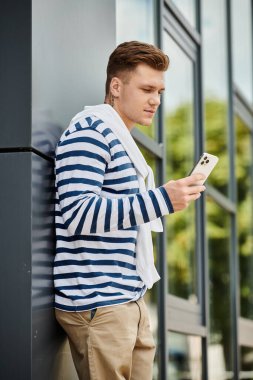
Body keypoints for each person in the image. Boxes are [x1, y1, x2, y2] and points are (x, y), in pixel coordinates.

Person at [54, 41, 205, 380]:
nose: (156, 100)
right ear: (116, 86)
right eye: (147, 89)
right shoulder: (91, 132)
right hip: (99, 301)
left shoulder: (120, 141)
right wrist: (162, 200)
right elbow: (78, 212)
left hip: (128, 300)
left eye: (161, 91)